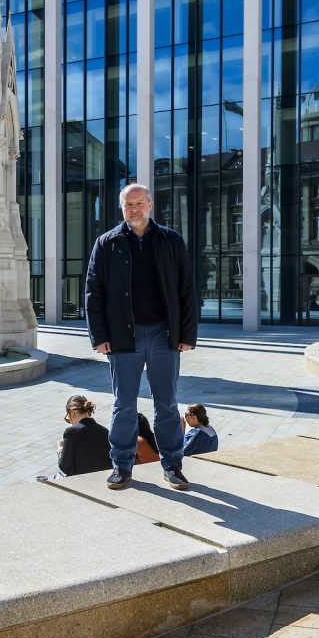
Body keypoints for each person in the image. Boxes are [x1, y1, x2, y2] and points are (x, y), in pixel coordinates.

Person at [84, 183, 200, 491]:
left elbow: (186, 289)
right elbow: (93, 293)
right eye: (128, 205)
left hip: (164, 335)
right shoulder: (106, 243)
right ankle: (121, 466)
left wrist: (187, 334)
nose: (134, 209)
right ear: (121, 208)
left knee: (166, 403)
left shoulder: (170, 240)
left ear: (150, 205)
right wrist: (99, 335)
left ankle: (173, 466)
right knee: (124, 404)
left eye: (139, 203)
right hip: (124, 338)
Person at [56, 394, 110, 477]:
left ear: (72, 412)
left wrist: (60, 449)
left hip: (82, 482)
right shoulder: (105, 431)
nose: (70, 421)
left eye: (68, 418)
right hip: (103, 480)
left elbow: (65, 467)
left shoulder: (71, 432)